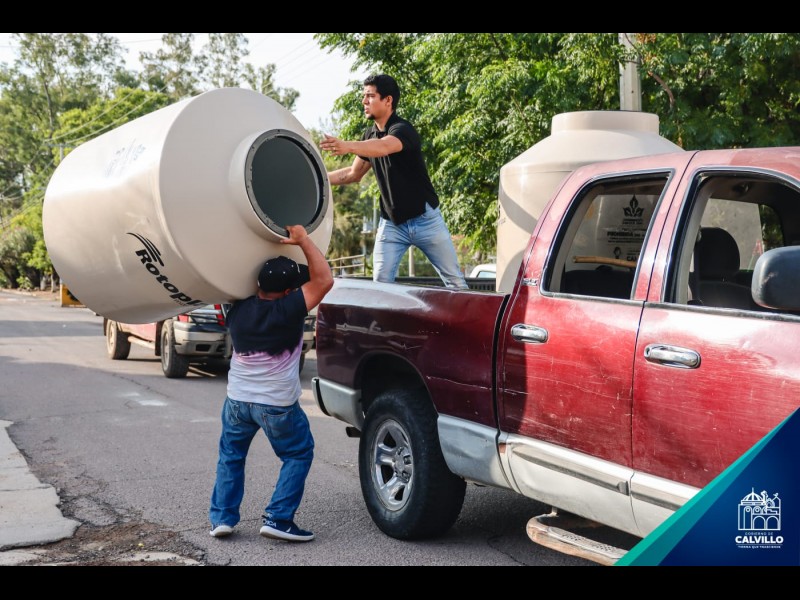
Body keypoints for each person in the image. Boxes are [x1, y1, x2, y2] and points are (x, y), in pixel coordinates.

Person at [208, 224, 333, 542]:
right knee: (298, 454)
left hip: (237, 400)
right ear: (290, 292)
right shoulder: (288, 309)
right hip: (276, 404)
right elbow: (324, 280)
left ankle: (222, 519)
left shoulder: (237, 307)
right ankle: (278, 519)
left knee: (231, 457)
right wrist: (303, 240)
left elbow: (221, 276)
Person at [320, 73, 469, 289]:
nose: (364, 101)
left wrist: (347, 145)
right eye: (364, 96)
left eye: (370, 96)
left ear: (388, 100)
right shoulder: (369, 135)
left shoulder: (403, 130)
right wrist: (316, 178)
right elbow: (353, 174)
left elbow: (384, 147)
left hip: (426, 219)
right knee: (380, 286)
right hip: (392, 225)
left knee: (455, 282)